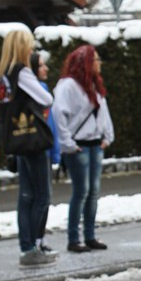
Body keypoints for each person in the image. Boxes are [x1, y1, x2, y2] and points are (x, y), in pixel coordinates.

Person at [0, 29, 58, 267]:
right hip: (32, 139)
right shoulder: (22, 72)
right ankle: (32, 247)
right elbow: (46, 99)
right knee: (42, 195)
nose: (32, 51)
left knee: (25, 196)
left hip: (17, 139)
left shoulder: (3, 74)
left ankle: (27, 247)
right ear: (22, 48)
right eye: (29, 47)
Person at [52, 44, 114, 253]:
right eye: (95, 59)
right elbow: (59, 114)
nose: (99, 63)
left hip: (95, 144)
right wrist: (68, 143)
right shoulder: (68, 85)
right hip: (79, 146)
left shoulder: (94, 85)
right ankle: (73, 238)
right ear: (85, 62)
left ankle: (89, 235)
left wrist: (107, 136)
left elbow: (103, 112)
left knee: (93, 192)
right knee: (81, 192)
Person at [31, 50, 61, 253]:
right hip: (41, 150)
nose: (46, 68)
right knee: (41, 198)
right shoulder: (38, 91)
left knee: (42, 199)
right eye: (41, 65)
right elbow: (50, 126)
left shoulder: (42, 88)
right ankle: (34, 241)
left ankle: (38, 239)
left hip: (46, 150)